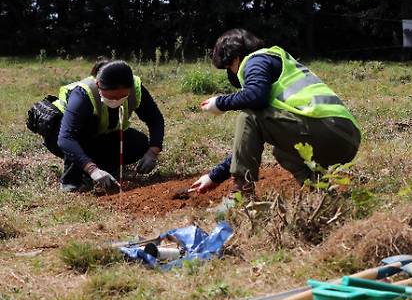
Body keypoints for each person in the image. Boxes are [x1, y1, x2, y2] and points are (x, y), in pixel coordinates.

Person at [189, 28, 360, 198]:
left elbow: (255, 97)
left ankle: (241, 195)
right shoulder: (276, 61)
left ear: (236, 58)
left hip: (325, 130)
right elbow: (247, 143)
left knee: (248, 116)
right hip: (345, 137)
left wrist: (220, 103)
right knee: (283, 153)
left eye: (229, 67)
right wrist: (214, 176)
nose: (231, 73)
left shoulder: (255, 61)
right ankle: (323, 194)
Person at [46, 60, 165, 192]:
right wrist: (93, 170)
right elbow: (66, 138)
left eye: (123, 96)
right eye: (113, 96)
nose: (117, 100)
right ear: (98, 85)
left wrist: (153, 151)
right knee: (85, 129)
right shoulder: (83, 95)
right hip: (60, 137)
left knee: (139, 143)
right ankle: (72, 181)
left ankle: (104, 168)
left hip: (98, 136)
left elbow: (155, 119)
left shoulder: (135, 88)